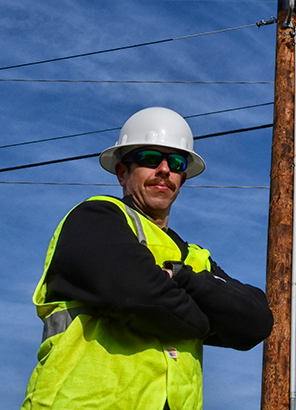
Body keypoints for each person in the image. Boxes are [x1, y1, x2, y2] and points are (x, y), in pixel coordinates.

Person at [22, 106, 273, 410]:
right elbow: (139, 296)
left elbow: (256, 321)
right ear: (121, 172)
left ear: (182, 177)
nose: (165, 170)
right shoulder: (94, 218)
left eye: (177, 162)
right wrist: (208, 317)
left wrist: (182, 278)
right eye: (150, 159)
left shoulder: (194, 258)